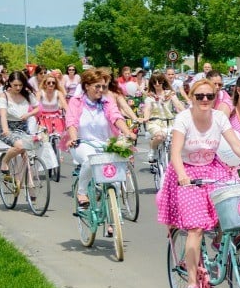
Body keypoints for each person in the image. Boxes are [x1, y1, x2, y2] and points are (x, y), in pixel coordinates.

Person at [156, 78, 240, 288]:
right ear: (192, 98)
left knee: (233, 204)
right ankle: (190, 286)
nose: (206, 100)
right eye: (200, 96)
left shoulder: (218, 118)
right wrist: (182, 177)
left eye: (211, 96)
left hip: (213, 168)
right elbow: (176, 153)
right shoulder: (183, 119)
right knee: (196, 228)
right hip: (188, 172)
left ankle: (220, 242)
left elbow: (237, 146)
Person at [65, 69, 137, 208]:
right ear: (87, 86)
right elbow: (71, 121)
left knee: (114, 179)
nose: (101, 90)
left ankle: (112, 216)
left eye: (104, 86)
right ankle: (82, 192)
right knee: (89, 160)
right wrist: (73, 138)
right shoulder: (76, 101)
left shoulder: (107, 101)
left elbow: (115, 116)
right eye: (97, 86)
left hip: (105, 143)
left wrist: (127, 132)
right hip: (82, 143)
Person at [0, 71, 40, 176]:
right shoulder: (4, 97)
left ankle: (25, 181)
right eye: (15, 85)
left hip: (23, 127)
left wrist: (29, 114)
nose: (18, 88)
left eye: (20, 85)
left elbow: (38, 108)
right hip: (8, 127)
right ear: (9, 83)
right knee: (20, 146)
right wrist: (6, 130)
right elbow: (2, 115)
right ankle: (5, 161)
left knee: (31, 149)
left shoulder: (27, 94)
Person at [141, 73, 184, 155]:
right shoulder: (150, 96)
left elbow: (178, 104)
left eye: (159, 81)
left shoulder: (169, 93)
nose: (157, 84)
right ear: (151, 83)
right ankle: (152, 149)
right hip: (155, 122)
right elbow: (148, 109)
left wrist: (188, 114)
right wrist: (146, 118)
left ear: (163, 81)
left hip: (169, 122)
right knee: (160, 137)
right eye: (154, 82)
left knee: (178, 139)